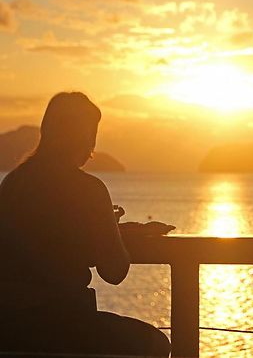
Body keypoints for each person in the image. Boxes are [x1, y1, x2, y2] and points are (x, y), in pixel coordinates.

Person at [0, 92, 171, 356]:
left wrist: (110, 227)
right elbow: (114, 272)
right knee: (156, 344)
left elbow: (45, 235)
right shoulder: (88, 189)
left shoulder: (12, 184)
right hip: (67, 326)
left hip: (12, 329)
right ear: (84, 136)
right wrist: (110, 228)